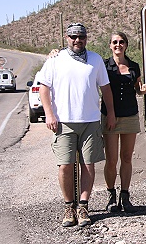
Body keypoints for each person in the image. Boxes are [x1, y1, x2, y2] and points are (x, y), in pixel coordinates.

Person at [38, 23, 116, 227]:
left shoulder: (95, 60)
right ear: (67, 37)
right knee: (65, 165)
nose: (77, 40)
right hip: (63, 121)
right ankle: (68, 207)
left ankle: (83, 206)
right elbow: (43, 88)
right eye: (73, 36)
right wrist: (49, 114)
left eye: (81, 36)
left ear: (86, 38)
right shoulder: (55, 60)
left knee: (88, 165)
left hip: (90, 121)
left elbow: (106, 89)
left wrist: (111, 114)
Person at [101, 31, 146, 213]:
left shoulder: (134, 66)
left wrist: (143, 89)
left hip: (130, 115)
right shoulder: (104, 66)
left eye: (121, 42)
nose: (118, 45)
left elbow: (137, 88)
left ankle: (125, 195)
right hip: (110, 116)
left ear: (126, 45)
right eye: (115, 42)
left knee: (127, 157)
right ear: (110, 45)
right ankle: (111, 196)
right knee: (111, 160)